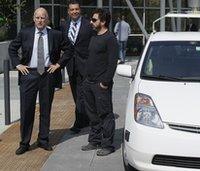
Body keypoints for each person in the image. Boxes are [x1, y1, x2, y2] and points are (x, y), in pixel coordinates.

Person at [8, 7, 73, 155]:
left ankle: (43, 140)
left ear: (47, 19)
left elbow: (69, 49)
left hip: (47, 75)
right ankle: (24, 143)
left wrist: (58, 65)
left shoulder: (55, 34)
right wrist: (17, 64)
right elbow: (12, 48)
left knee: (45, 109)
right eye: (37, 17)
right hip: (28, 75)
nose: (40, 20)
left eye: (43, 17)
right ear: (33, 18)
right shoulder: (25, 32)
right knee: (26, 110)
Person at [81, 9, 118, 156]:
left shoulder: (110, 39)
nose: (91, 22)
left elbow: (112, 63)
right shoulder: (94, 36)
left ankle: (108, 145)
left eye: (94, 20)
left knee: (105, 115)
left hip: (101, 84)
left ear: (103, 22)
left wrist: (105, 82)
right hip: (88, 82)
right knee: (92, 114)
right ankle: (95, 140)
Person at [61, 0, 95, 134]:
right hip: (71, 65)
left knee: (83, 93)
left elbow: (94, 44)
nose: (74, 11)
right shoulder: (64, 25)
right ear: (68, 11)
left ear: (80, 10)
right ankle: (85, 118)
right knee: (76, 94)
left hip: (85, 64)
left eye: (76, 9)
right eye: (72, 10)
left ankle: (79, 121)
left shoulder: (89, 24)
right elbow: (63, 44)